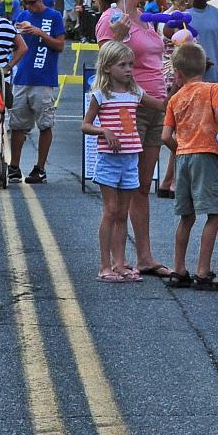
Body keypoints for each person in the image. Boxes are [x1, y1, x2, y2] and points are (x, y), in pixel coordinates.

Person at [94, 0, 173, 277]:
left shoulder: (142, 17)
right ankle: (117, 260)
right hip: (129, 111)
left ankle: (144, 256)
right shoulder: (113, 19)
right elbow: (106, 62)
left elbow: (151, 57)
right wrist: (118, 37)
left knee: (142, 185)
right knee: (124, 188)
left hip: (155, 107)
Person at [162, 41, 218, 291]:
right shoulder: (214, 89)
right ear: (205, 66)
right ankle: (203, 272)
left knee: (186, 216)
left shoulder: (175, 99)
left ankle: (178, 269)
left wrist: (181, 150)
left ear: (178, 74)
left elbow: (164, 136)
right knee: (215, 214)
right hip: (206, 154)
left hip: (183, 157)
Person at [81, 41, 145, 281]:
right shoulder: (100, 95)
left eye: (131, 64)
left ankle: (120, 263)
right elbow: (85, 124)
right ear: (107, 68)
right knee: (110, 210)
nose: (128, 69)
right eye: (122, 65)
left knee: (123, 212)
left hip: (130, 158)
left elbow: (160, 106)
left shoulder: (135, 93)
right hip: (109, 159)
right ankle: (104, 265)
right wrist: (103, 131)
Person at [7, 0, 65, 185]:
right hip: (22, 77)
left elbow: (60, 45)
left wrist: (40, 33)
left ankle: (40, 168)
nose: (28, 7)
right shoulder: (22, 16)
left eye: (31, 3)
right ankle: (14, 166)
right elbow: (13, 42)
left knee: (45, 124)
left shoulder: (54, 16)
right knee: (17, 125)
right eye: (24, 3)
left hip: (43, 78)